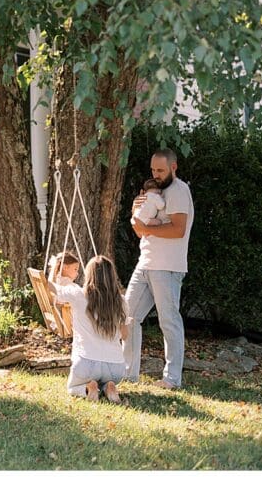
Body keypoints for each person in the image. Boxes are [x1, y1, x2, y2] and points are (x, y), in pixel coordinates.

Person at [123, 148, 194, 390]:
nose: (156, 174)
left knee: (169, 321)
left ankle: (172, 379)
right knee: (128, 316)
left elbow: (178, 229)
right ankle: (127, 374)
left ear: (174, 167)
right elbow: (140, 225)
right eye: (153, 169)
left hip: (168, 267)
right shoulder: (155, 191)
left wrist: (147, 227)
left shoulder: (178, 191)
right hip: (145, 263)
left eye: (161, 170)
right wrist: (136, 213)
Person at [48, 253, 130, 403]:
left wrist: (55, 268)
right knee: (108, 378)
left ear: (89, 274)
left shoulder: (78, 294)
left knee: (72, 388)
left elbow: (51, 288)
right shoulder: (122, 301)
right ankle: (109, 386)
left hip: (87, 363)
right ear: (112, 275)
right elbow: (125, 335)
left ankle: (88, 387)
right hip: (116, 367)